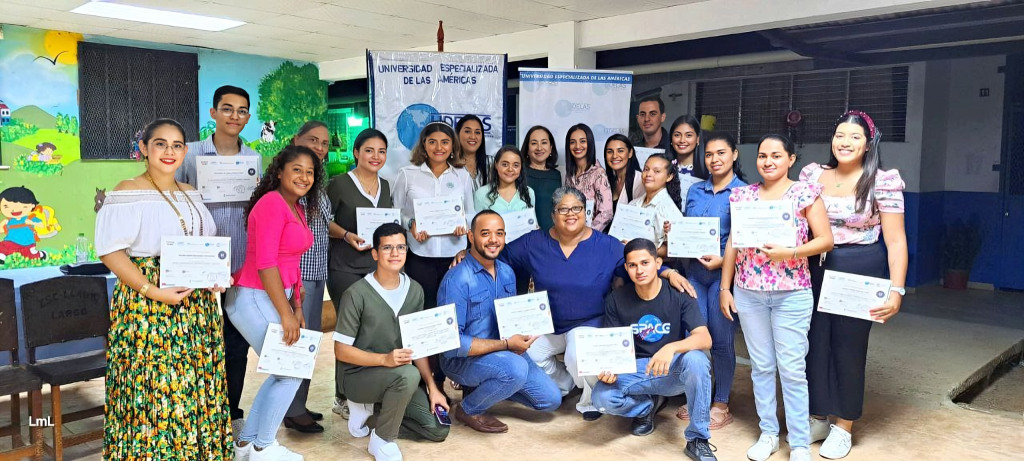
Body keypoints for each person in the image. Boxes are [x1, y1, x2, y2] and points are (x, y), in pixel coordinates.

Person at [499, 186, 696, 421]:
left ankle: (589, 398)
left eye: (577, 208)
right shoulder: (533, 242)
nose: (570, 214)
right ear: (552, 214)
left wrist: (667, 272)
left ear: (586, 213)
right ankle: (566, 383)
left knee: (577, 356)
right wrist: (467, 255)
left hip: (589, 321)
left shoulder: (606, 245)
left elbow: (637, 262)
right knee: (526, 352)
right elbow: (501, 257)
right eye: (563, 209)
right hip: (548, 322)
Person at [97, 118, 231, 459]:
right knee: (156, 388)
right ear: (144, 148)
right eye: (160, 144)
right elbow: (110, 251)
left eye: (176, 145)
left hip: (195, 305)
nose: (169, 152)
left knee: (191, 385)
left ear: (185, 151)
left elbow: (204, 243)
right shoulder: (128, 190)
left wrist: (214, 275)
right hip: (148, 303)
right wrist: (153, 291)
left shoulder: (190, 193)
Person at [801, 111, 908, 459]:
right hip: (814, 266)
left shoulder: (882, 180)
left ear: (869, 143)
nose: (844, 142)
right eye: (839, 134)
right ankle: (818, 415)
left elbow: (895, 241)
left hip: (859, 266)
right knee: (813, 343)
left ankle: (843, 425)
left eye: (854, 137)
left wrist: (897, 289)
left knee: (848, 347)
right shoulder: (813, 174)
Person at [720, 134, 833, 461]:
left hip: (792, 292)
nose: (768, 162)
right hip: (749, 292)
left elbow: (826, 240)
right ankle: (768, 433)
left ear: (790, 160)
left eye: (776, 156)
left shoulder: (804, 193)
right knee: (762, 366)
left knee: (792, 368)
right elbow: (733, 244)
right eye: (762, 156)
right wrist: (725, 288)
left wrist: (791, 252)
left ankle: (798, 442)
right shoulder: (742, 195)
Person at [225, 145, 322, 461]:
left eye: (309, 172)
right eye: (297, 169)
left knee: (285, 370)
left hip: (275, 296)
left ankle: (247, 445)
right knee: (290, 370)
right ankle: (264, 446)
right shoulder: (271, 204)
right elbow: (266, 264)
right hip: (251, 296)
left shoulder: (296, 207)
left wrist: (296, 307)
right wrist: (286, 313)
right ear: (279, 171)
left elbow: (290, 263)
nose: (304, 177)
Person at [176, 85, 260, 434]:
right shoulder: (190, 154)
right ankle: (193, 413)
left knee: (235, 345)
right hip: (198, 266)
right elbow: (174, 202)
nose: (234, 116)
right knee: (195, 343)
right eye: (227, 109)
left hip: (239, 266)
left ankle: (231, 414)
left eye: (242, 111)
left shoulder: (253, 157)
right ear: (213, 113)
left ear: (248, 117)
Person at [591, 238, 717, 461]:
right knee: (601, 397)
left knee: (697, 359)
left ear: (658, 263)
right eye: (632, 265)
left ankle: (698, 439)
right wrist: (609, 371)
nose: (639, 270)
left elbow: (704, 338)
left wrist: (671, 348)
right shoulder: (616, 300)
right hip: (637, 369)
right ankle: (645, 408)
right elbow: (611, 350)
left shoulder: (678, 292)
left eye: (645, 263)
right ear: (627, 268)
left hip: (672, 368)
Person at [334, 223, 450, 461]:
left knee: (437, 429)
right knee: (408, 375)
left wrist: (432, 388)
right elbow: (341, 350)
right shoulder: (356, 294)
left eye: (401, 247)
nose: (395, 253)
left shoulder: (415, 290)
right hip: (358, 375)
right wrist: (384, 360)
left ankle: (372, 414)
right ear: (375, 253)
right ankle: (382, 439)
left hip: (395, 377)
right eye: (387, 248)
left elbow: (415, 344)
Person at [439, 210, 561, 433]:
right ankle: (468, 408)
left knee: (551, 400)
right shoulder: (457, 279)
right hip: (462, 360)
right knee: (515, 369)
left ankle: (483, 387)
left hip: (504, 354)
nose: (493, 240)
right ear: (471, 237)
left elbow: (510, 319)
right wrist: (506, 345)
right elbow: (452, 344)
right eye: (485, 233)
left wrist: (528, 330)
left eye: (499, 233)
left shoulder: (507, 273)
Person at [392, 121, 476, 389]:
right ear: (423, 146)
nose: (439, 147)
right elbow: (396, 213)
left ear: (453, 146)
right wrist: (410, 225)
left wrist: (464, 227)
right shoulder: (407, 174)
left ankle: (443, 376)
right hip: (420, 257)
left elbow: (472, 213)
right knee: (424, 317)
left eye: (445, 142)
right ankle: (424, 380)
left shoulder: (462, 175)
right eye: (432, 142)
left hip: (454, 257)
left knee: (450, 316)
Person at [675, 131, 747, 427]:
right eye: (709, 154)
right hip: (694, 274)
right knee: (694, 338)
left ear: (734, 155)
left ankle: (721, 401)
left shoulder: (744, 193)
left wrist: (724, 261)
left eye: (721, 153)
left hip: (722, 276)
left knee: (720, 340)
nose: (714, 159)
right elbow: (687, 229)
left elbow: (747, 241)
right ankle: (698, 396)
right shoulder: (694, 191)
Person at [326, 128, 393, 420]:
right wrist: (346, 235)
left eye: (381, 151)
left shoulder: (387, 186)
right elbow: (322, 221)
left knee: (372, 332)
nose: (375, 156)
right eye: (369, 150)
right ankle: (342, 396)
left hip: (377, 270)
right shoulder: (338, 184)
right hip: (344, 268)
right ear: (356, 152)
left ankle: (366, 393)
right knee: (348, 333)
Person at [284, 121, 343, 433]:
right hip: (297, 276)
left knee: (308, 342)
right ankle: (291, 411)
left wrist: (346, 235)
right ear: (297, 139)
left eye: (323, 142)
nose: (320, 146)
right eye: (312, 140)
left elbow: (325, 223)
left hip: (317, 271)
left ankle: (298, 405)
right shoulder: (290, 182)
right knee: (296, 342)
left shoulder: (315, 182)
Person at [627, 153, 685, 257]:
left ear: (669, 176)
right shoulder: (633, 204)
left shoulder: (668, 209)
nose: (648, 174)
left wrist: (636, 249)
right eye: (646, 169)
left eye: (656, 171)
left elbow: (672, 250)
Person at [564, 123, 613, 232]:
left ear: (590, 143)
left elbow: (607, 213)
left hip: (591, 236)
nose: (577, 146)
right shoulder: (569, 175)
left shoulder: (598, 173)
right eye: (572, 142)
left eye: (582, 141)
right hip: (571, 232)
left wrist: (587, 232)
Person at [522, 125, 562, 231]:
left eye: (544, 142)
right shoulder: (518, 173)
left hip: (552, 236)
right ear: (527, 148)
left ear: (551, 148)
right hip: (524, 236)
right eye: (534, 143)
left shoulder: (556, 175)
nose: (539, 148)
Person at [473, 146, 535, 213]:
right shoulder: (481, 194)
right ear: (496, 165)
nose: (510, 169)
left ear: (521, 168)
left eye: (516, 165)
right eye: (505, 165)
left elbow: (532, 221)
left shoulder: (528, 192)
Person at [669, 115, 708, 200]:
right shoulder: (664, 168)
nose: (682, 140)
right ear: (671, 139)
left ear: (697, 139)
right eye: (677, 135)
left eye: (688, 135)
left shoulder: (708, 170)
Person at [605, 134, 645, 214]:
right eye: (610, 151)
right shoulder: (607, 180)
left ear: (630, 153)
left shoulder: (640, 180)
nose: (614, 156)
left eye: (620, 151)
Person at [456, 114, 489, 189]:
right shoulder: (448, 165)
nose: (473, 137)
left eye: (477, 132)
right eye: (467, 131)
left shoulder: (492, 163)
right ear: (457, 134)